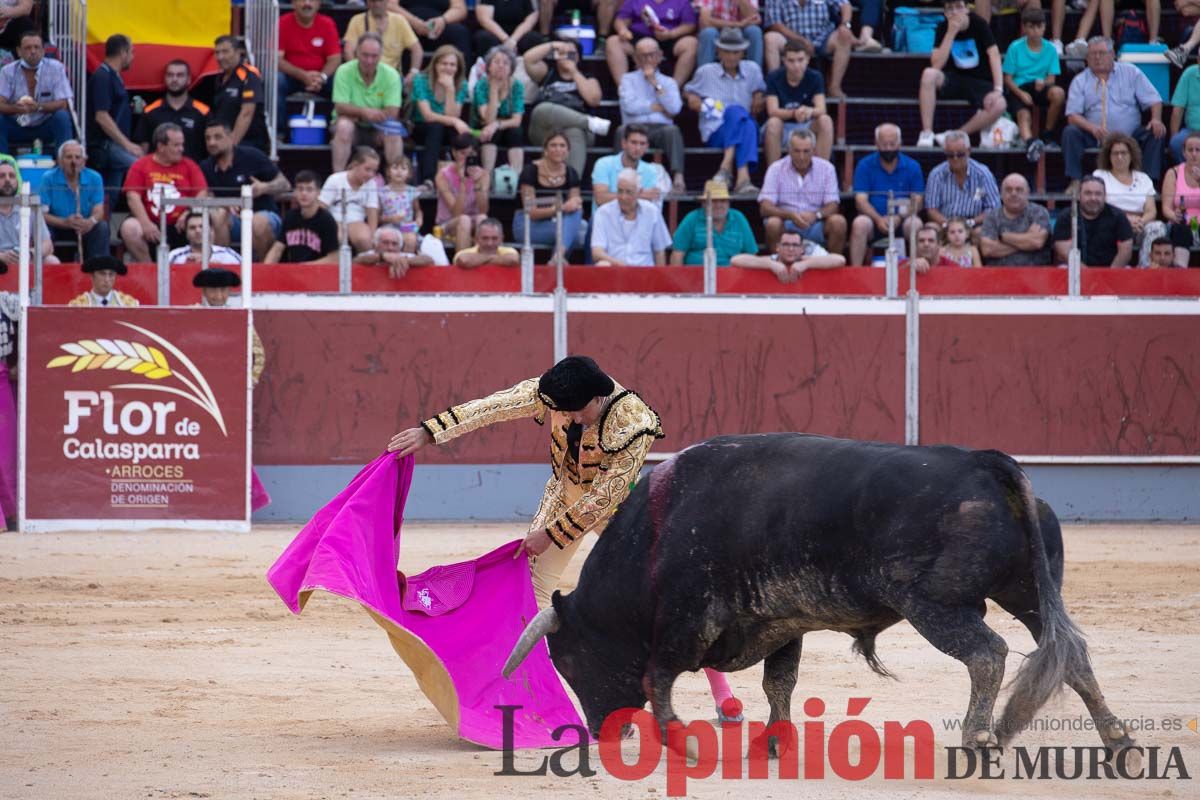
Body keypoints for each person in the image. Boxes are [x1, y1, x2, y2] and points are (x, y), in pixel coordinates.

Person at [386, 354, 747, 723]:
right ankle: (537, 697)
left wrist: (552, 533)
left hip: (620, 514)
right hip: (563, 498)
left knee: (667, 598)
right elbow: (493, 407)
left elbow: (607, 495)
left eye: (577, 412)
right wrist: (431, 431)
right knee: (529, 591)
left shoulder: (634, 422)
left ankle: (723, 696)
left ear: (596, 399)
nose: (571, 418)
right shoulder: (557, 392)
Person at [1063, 36, 1165, 192]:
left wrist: (1156, 119)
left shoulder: (1131, 72)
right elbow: (1072, 115)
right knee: (1070, 132)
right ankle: (1075, 181)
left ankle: (1148, 183)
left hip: (1130, 135)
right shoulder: (1080, 80)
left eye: (1102, 53)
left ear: (1112, 54)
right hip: (1094, 135)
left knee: (1156, 132)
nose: (1097, 58)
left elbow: (1154, 99)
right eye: (1092, 54)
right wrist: (1092, 128)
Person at [683, 27, 765, 196]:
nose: (731, 56)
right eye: (727, 52)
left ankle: (725, 169)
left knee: (744, 120)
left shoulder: (753, 70)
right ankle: (743, 178)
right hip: (716, 131)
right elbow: (688, 90)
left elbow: (761, 89)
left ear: (743, 53)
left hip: (744, 130)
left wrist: (758, 94)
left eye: (736, 52)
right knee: (741, 117)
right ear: (718, 52)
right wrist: (692, 98)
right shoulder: (706, 72)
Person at [916, 0, 1005, 149]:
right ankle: (927, 133)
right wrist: (951, 33)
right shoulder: (943, 27)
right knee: (928, 74)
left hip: (980, 81)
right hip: (954, 78)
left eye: (959, 7)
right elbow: (936, 64)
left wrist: (998, 89)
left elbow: (994, 55)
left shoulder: (979, 24)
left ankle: (956, 134)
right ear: (945, 13)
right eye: (950, 9)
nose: (955, 12)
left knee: (1000, 103)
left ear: (966, 9)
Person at [119, 123, 209, 263]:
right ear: (161, 147)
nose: (181, 149)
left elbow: (202, 193)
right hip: (152, 223)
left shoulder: (189, 165)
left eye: (182, 144)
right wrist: (145, 223)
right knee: (130, 228)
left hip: (183, 224)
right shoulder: (141, 165)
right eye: (176, 145)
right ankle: (150, 272)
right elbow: (132, 197)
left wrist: (188, 213)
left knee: (208, 223)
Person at [200, 120, 290, 259]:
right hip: (232, 221)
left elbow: (285, 184)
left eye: (218, 137)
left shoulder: (252, 156)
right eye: (208, 138)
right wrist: (224, 203)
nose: (212, 142)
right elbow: (204, 197)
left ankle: (262, 271)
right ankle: (222, 267)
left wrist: (264, 187)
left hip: (264, 215)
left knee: (257, 222)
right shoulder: (206, 167)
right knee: (218, 215)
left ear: (230, 137)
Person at [523, 38, 610, 179]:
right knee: (542, 109)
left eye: (571, 54)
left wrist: (574, 72)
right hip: (546, 129)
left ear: (579, 58)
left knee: (574, 131)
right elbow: (528, 59)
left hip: (575, 132)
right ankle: (588, 122)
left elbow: (593, 100)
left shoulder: (588, 78)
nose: (566, 56)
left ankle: (572, 185)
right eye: (562, 53)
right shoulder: (548, 74)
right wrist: (554, 45)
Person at [617, 38, 686, 194]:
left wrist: (655, 83)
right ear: (635, 58)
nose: (648, 59)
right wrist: (656, 107)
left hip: (661, 129)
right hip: (634, 126)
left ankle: (678, 178)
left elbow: (674, 108)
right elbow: (629, 106)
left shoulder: (668, 82)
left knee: (673, 131)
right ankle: (621, 177)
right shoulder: (627, 79)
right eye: (643, 56)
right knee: (621, 132)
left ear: (659, 56)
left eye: (652, 55)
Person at [849, 123, 925, 266]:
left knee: (916, 223)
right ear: (876, 144)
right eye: (884, 144)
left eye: (892, 144)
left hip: (902, 221)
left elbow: (918, 201)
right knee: (859, 223)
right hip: (874, 221)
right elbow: (860, 200)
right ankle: (856, 271)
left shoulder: (912, 166)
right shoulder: (865, 165)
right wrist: (878, 219)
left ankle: (917, 269)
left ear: (900, 143)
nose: (889, 148)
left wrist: (899, 217)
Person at [759, 127, 846, 253]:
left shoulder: (827, 168)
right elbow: (765, 207)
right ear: (789, 150)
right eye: (796, 151)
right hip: (787, 223)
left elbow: (833, 204)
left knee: (839, 222)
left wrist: (816, 215)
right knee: (772, 224)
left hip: (816, 223)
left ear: (814, 151)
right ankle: (777, 266)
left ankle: (833, 267)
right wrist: (790, 215)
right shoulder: (776, 168)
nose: (801, 156)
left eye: (806, 151)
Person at [331, 32, 404, 173]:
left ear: (381, 55)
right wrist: (366, 112)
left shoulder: (391, 75)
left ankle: (395, 181)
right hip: (352, 126)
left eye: (374, 56)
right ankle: (338, 178)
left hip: (379, 128)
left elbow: (393, 112)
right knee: (344, 126)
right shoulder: (344, 71)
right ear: (357, 52)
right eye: (365, 55)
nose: (369, 61)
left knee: (394, 131)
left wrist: (357, 112)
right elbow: (340, 107)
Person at [1092, 133, 1168, 267]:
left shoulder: (1143, 178)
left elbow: (1151, 210)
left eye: (1124, 153)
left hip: (1139, 225)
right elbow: (1099, 206)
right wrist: (1125, 220)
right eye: (1115, 153)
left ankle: (1145, 269)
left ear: (1131, 155)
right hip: (1112, 225)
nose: (1119, 157)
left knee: (1157, 227)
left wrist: (1140, 221)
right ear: (1109, 156)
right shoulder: (1100, 176)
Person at [1002, 6, 1064, 162]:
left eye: (1039, 26)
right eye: (1031, 26)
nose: (1035, 31)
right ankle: (1030, 143)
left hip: (1040, 87)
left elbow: (1052, 79)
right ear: (1024, 28)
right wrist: (1021, 93)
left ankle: (1047, 135)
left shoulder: (1050, 49)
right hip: (1019, 88)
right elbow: (1007, 78)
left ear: (1044, 27)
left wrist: (1043, 82)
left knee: (1058, 93)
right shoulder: (1015, 47)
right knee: (1024, 115)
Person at [513, 130, 587, 258]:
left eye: (562, 145)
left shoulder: (571, 173)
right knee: (577, 234)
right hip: (529, 224)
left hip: (558, 221)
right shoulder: (530, 171)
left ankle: (557, 257)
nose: (558, 149)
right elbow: (531, 212)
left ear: (568, 151)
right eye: (553, 145)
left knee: (578, 216)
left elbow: (575, 203)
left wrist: (574, 203)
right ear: (545, 150)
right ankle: (557, 263)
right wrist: (559, 209)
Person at [0, 31, 74, 156]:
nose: (33, 51)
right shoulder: (8, 71)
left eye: (36, 47)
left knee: (62, 117)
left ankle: (63, 166)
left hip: (45, 125)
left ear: (43, 50)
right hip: (17, 124)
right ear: (19, 51)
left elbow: (63, 104)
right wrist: (16, 108)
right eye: (28, 48)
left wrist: (38, 107)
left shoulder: (56, 68)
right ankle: (2, 165)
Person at [86, 34, 140, 204]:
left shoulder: (113, 76)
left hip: (114, 146)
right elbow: (101, 116)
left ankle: (105, 229)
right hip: (106, 145)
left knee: (110, 198)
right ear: (123, 52)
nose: (133, 57)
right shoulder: (103, 76)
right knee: (142, 168)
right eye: (131, 52)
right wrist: (127, 145)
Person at [762, 0, 853, 96]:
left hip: (823, 38)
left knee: (845, 35)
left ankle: (834, 87)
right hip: (790, 39)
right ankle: (775, 88)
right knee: (770, 38)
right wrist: (801, 40)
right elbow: (775, 24)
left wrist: (845, 25)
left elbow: (845, 4)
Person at [410, 45, 470, 187]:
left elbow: (452, 114)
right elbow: (427, 115)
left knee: (460, 134)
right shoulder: (421, 80)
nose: (448, 68)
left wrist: (450, 89)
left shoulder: (461, 84)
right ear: (435, 64)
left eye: (452, 65)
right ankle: (428, 179)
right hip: (421, 127)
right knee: (436, 127)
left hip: (445, 128)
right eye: (444, 64)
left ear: (458, 68)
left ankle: (463, 176)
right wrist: (455, 121)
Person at [763, 39, 832, 164]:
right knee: (773, 123)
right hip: (782, 127)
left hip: (806, 125)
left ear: (808, 59)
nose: (796, 65)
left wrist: (809, 111)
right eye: (791, 61)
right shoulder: (774, 77)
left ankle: (821, 175)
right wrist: (794, 113)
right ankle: (774, 176)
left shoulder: (815, 77)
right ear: (783, 60)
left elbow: (821, 109)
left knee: (825, 121)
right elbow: (772, 111)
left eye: (800, 60)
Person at [277, 0, 341, 132]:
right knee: (276, 81)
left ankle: (335, 130)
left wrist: (322, 77)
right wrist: (303, 75)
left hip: (320, 77)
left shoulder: (327, 23)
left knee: (339, 82)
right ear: (293, 3)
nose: (307, 3)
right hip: (292, 77)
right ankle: (278, 133)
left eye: (312, 0)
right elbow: (277, 60)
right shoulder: (283, 22)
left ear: (318, 4)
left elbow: (334, 59)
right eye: (302, 0)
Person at [40, 140, 108, 260]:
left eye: (78, 157)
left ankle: (97, 268)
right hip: (58, 226)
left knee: (101, 227)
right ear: (60, 161)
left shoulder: (95, 178)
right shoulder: (48, 178)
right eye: (69, 157)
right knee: (43, 229)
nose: (74, 161)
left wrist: (89, 222)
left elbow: (99, 210)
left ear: (84, 161)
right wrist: (64, 222)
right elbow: (41, 214)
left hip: (84, 226)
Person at [607, 0, 699, 87]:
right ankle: (624, 89)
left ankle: (674, 88)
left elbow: (690, 24)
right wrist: (623, 30)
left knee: (691, 43)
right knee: (613, 42)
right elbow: (621, 20)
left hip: (669, 39)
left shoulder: (682, 1)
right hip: (638, 38)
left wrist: (671, 34)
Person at [591, 168, 672, 266]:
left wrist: (660, 279)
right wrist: (620, 265)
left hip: (643, 272)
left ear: (639, 192)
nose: (623, 197)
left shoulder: (652, 212)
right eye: (620, 191)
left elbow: (659, 251)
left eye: (629, 192)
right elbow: (597, 252)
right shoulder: (603, 213)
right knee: (602, 265)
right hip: (615, 271)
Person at [922, 130, 1000, 229]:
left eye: (960, 154)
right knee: (930, 228)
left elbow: (994, 208)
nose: (955, 159)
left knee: (982, 232)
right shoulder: (936, 174)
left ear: (969, 151)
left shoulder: (983, 174)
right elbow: (931, 209)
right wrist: (949, 225)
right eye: (950, 155)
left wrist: (971, 222)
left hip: (974, 224)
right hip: (945, 224)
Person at [134, 61, 209, 163]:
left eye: (180, 75)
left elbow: (211, 149)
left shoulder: (203, 112)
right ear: (165, 78)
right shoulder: (150, 111)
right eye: (170, 75)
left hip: (191, 175)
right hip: (158, 175)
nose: (174, 79)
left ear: (189, 79)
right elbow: (142, 152)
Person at [669, 179, 758, 265]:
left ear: (728, 203)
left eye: (723, 201)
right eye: (713, 201)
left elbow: (751, 254)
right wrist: (679, 280)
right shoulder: (692, 219)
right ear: (704, 203)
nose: (718, 205)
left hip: (733, 277)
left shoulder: (739, 218)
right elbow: (677, 255)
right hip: (696, 276)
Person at [1051, 175, 1134, 267]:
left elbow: (1126, 250)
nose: (1093, 198)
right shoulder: (1067, 216)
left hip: (1112, 270)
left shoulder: (1118, 216)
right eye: (1088, 193)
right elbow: (1063, 251)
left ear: (1105, 196)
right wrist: (1087, 274)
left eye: (1098, 194)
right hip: (1076, 269)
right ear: (1079, 195)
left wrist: (1109, 276)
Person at [265, 170, 340, 264]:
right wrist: (266, 269)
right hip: (294, 272)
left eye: (309, 189)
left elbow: (334, 258)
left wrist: (304, 267)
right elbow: (278, 248)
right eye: (300, 189)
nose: (304, 193)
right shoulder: (290, 216)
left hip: (318, 273)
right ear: (295, 192)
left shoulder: (326, 220)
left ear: (318, 193)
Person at [211, 35, 270, 153]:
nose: (220, 57)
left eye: (225, 52)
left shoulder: (249, 75)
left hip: (247, 145)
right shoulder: (219, 78)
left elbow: (246, 113)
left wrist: (231, 146)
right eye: (217, 53)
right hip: (224, 144)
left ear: (238, 52)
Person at [473, 46, 526, 176]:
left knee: (516, 132)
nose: (501, 66)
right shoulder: (481, 85)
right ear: (489, 67)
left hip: (506, 125)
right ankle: (487, 176)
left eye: (506, 63)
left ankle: (515, 178)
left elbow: (517, 120)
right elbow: (487, 119)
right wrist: (494, 90)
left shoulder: (517, 86)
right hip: (483, 126)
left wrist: (497, 125)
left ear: (511, 69)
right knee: (490, 132)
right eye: (496, 62)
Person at [979, 173, 1052, 267]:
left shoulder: (1039, 212)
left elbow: (1036, 242)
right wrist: (1026, 241)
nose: (1014, 194)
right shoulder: (992, 217)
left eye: (1019, 190)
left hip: (1035, 275)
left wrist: (1004, 238)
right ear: (1001, 193)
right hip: (998, 275)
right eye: (1008, 190)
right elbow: (987, 249)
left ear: (1028, 192)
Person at [591, 124, 664, 217]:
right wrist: (639, 195)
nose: (638, 148)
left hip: (636, 222)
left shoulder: (651, 170)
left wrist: (615, 196)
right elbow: (600, 199)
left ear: (647, 146)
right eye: (634, 142)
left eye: (642, 144)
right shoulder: (603, 164)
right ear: (624, 143)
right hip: (604, 220)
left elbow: (648, 203)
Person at [436, 133, 490, 253]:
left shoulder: (483, 174)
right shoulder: (443, 175)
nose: (466, 158)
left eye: (470, 154)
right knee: (464, 220)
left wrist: (477, 184)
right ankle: (462, 263)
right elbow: (456, 213)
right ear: (454, 153)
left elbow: (483, 210)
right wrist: (463, 183)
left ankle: (483, 263)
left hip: (474, 220)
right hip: (449, 223)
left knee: (483, 219)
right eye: (462, 153)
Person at [320, 146, 380, 253]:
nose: (371, 175)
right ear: (355, 165)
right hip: (334, 220)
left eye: (374, 171)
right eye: (367, 169)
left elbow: (372, 212)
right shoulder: (335, 179)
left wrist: (373, 236)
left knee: (364, 239)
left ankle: (362, 264)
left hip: (356, 221)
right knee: (338, 238)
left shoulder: (372, 184)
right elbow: (321, 206)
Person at [343, 0, 424, 79]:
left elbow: (417, 50)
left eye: (380, 1)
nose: (377, 4)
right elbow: (348, 51)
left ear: (387, 1)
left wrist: (413, 72)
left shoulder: (399, 20)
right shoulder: (357, 20)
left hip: (392, 78)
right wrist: (356, 72)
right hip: (365, 74)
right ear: (367, 2)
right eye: (373, 1)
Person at [730, 226, 845, 280]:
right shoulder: (773, 259)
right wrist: (770, 265)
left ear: (802, 249)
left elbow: (840, 260)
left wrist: (806, 264)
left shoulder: (809, 257)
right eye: (785, 245)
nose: (790, 249)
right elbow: (735, 260)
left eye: (795, 245)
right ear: (778, 248)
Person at [0, 155, 55, 266]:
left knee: (52, 261)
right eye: (1, 176)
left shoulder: (29, 206)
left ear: (17, 181)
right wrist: (2, 257)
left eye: (11, 176)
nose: (7, 180)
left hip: (24, 259)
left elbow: (47, 244)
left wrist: (30, 253)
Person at [1156, 131, 1200, 268]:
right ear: (1183, 152)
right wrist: (1174, 215)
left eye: (1198, 150)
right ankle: (1180, 272)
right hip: (1181, 223)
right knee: (1182, 229)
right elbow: (1166, 208)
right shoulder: (1173, 173)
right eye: (1190, 150)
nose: (1194, 154)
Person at [394, 0, 474, 65]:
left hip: (440, 26)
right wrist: (414, 21)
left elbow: (460, 9)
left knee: (460, 33)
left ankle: (462, 80)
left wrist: (443, 20)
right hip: (406, 24)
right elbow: (390, 5)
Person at [696, 0, 764, 67]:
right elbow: (705, 20)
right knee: (708, 33)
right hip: (717, 29)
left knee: (755, 31)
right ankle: (704, 74)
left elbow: (754, 17)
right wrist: (737, 24)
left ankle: (755, 73)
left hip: (741, 30)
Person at [378, 156, 422, 253]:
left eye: (403, 168)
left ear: (409, 173)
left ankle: (406, 262)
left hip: (407, 227)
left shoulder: (412, 191)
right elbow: (378, 217)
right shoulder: (382, 192)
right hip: (389, 227)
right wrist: (391, 219)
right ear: (388, 171)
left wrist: (419, 219)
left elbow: (417, 210)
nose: (399, 172)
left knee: (410, 240)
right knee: (389, 240)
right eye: (395, 168)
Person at [354, 225, 435, 277]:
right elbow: (354, 262)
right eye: (385, 243)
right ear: (376, 244)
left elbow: (429, 260)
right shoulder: (370, 255)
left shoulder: (403, 255)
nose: (390, 248)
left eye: (394, 244)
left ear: (400, 247)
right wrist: (381, 257)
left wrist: (406, 261)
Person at [168, 212, 242, 266]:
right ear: (186, 233)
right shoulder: (174, 256)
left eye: (202, 226)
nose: (198, 231)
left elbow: (248, 275)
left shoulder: (228, 255)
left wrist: (215, 265)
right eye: (192, 228)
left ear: (211, 230)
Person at [474, 0, 544, 55]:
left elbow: (530, 20)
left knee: (534, 38)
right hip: (495, 32)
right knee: (484, 38)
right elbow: (485, 19)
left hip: (518, 33)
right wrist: (505, 39)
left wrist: (513, 40)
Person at [67, 255, 139, 307]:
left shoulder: (128, 304)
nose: (107, 279)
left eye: (111, 274)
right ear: (92, 276)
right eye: (102, 274)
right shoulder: (78, 305)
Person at [1169, 47, 1200, 163]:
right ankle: (1187, 174)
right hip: (1191, 131)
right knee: (1176, 143)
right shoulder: (1189, 74)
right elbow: (1177, 110)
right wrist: (1173, 135)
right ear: (1198, 60)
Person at [453, 216, 520, 267]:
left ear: (501, 239)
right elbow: (464, 260)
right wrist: (494, 258)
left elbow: (514, 260)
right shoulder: (464, 253)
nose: (489, 243)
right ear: (476, 239)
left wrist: (477, 260)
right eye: (485, 238)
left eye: (494, 238)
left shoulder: (509, 251)